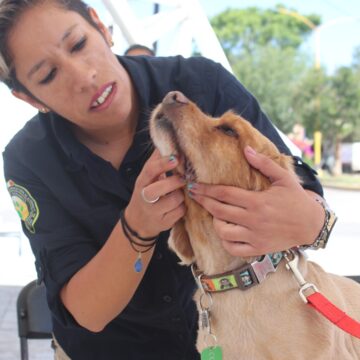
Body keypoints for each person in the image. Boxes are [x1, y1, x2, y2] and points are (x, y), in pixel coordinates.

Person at [0, 1, 332, 359]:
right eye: (49, 75)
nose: (84, 78)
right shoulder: (29, 159)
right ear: (29, 98)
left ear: (100, 25)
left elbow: (303, 196)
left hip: (234, 341)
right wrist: (137, 226)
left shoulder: (202, 83)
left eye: (78, 44)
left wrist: (314, 221)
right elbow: (86, 313)